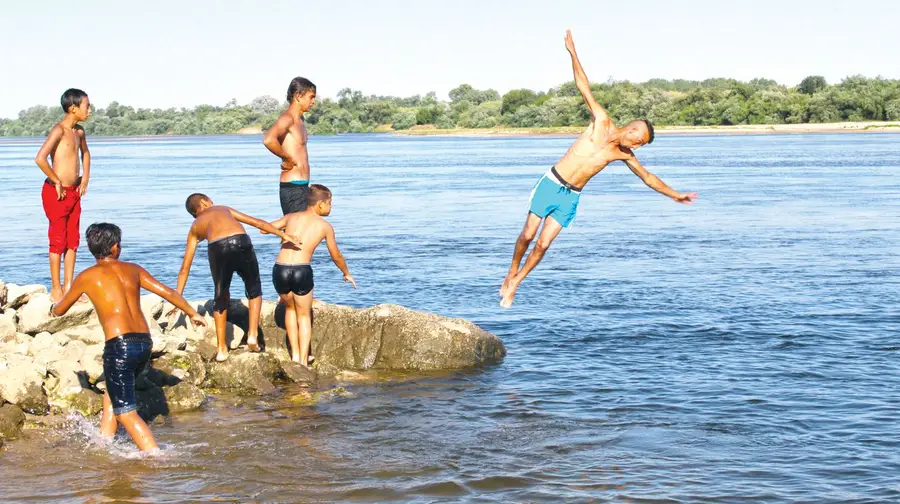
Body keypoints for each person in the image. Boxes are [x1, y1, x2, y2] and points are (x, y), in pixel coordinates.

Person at [499, 30, 698, 308]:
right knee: (528, 235)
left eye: (640, 145)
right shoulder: (601, 122)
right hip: (552, 183)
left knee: (543, 245)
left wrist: (675, 195)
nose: (636, 147)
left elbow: (648, 178)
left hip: (571, 197)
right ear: (631, 129)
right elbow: (583, 86)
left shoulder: (623, 153)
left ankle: (516, 284)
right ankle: (511, 271)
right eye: (638, 141)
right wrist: (572, 52)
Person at [51, 223, 207, 452]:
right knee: (114, 391)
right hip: (144, 343)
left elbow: (60, 310)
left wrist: (52, 308)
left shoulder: (86, 276)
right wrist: (192, 313)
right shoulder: (133, 269)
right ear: (115, 247)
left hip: (119, 345)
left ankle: (156, 456)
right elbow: (168, 292)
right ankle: (104, 441)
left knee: (126, 413)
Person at [172, 194, 301, 362]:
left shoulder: (195, 226)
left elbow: (185, 267)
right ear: (205, 202)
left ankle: (221, 349)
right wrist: (284, 236)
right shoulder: (223, 209)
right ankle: (253, 335)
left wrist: (177, 296)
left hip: (217, 248)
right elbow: (257, 223)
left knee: (221, 295)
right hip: (240, 241)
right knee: (253, 287)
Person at [267, 184, 356, 367]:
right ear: (321, 204)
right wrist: (346, 272)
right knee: (304, 315)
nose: (331, 207)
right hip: (301, 269)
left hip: (280, 268)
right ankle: (303, 360)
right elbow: (336, 255)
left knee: (290, 310)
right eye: (330, 203)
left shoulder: (291, 217)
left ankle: (294, 356)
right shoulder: (324, 226)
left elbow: (264, 228)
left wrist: (284, 236)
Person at [34, 88, 92, 302]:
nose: (90, 110)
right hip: (56, 193)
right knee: (57, 239)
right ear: (73, 108)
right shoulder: (59, 130)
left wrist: (85, 177)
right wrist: (56, 180)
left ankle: (69, 286)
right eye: (87, 106)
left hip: (74, 192)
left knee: (72, 240)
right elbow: (40, 158)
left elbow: (85, 154)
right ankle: (56, 287)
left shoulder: (79, 132)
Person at [263, 77, 317, 214]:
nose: (313, 102)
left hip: (303, 186)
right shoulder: (287, 118)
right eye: (311, 97)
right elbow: (269, 140)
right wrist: (286, 158)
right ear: (298, 96)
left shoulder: (300, 120)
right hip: (293, 187)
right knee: (295, 233)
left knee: (306, 233)